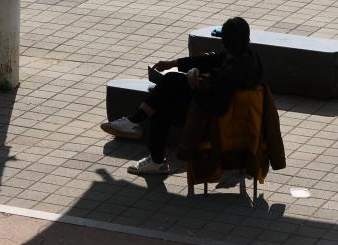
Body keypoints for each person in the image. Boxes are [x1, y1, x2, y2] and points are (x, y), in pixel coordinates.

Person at [100, 17, 263, 175]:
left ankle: (140, 131)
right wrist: (175, 63)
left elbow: (217, 107)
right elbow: (211, 60)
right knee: (165, 93)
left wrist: (194, 88)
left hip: (214, 123)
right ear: (246, 39)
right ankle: (139, 130)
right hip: (223, 113)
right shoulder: (247, 58)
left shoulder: (233, 73)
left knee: (162, 101)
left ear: (224, 42)